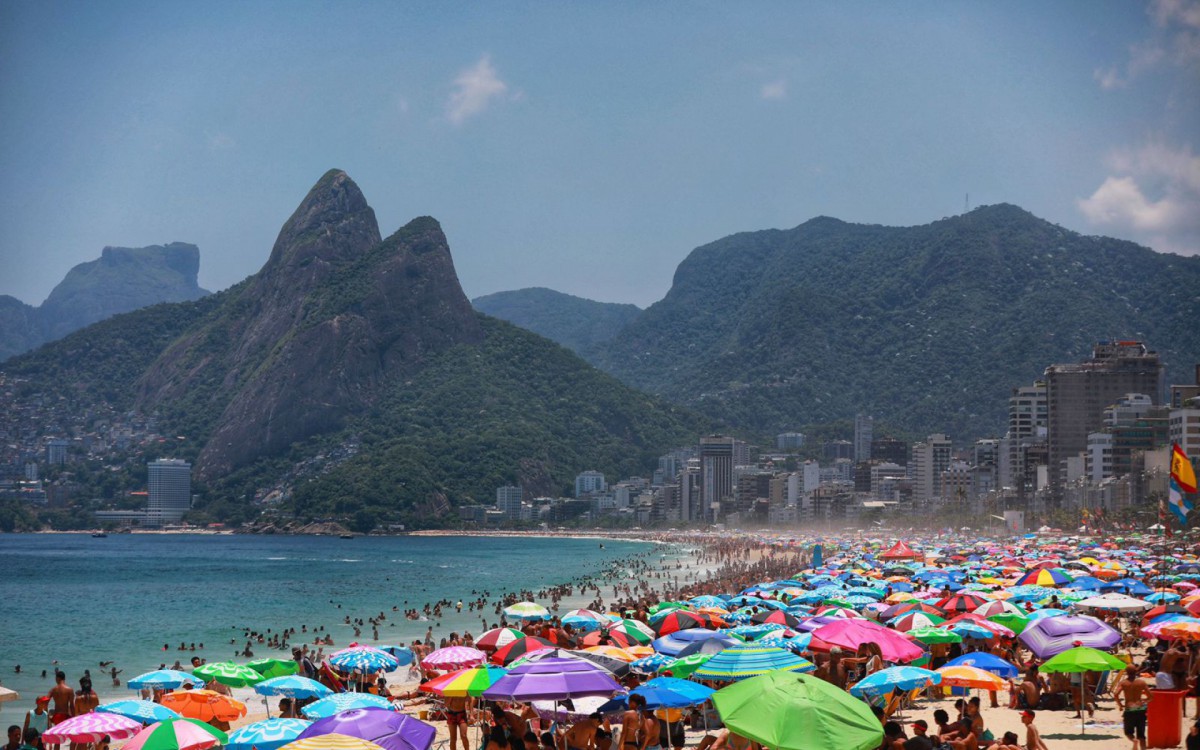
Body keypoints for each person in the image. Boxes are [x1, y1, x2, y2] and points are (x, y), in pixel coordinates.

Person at [1115, 665, 1151, 750]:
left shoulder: (1123, 683)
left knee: (1128, 732)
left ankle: (1134, 740)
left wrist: (1120, 705)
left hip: (1129, 709)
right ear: (1136, 671)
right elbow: (1151, 696)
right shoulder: (1141, 682)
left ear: (1126, 672)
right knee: (1141, 735)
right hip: (1140, 709)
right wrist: (1144, 701)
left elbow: (1116, 694)